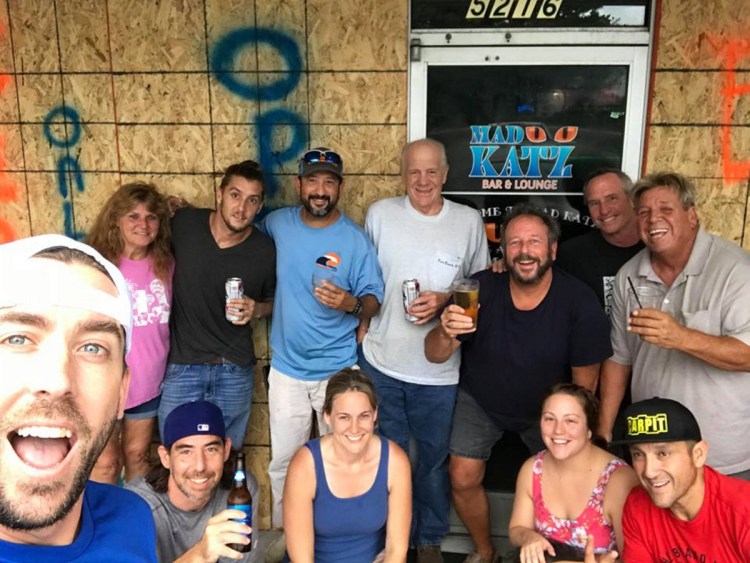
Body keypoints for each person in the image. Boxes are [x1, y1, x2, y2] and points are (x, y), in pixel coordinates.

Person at [425, 203, 612, 563]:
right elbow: (434, 354)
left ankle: (548, 552)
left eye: (534, 242)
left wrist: (574, 439)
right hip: (482, 398)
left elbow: (583, 390)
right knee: (462, 475)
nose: (524, 251)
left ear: (553, 250)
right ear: (503, 251)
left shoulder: (579, 304)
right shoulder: (479, 289)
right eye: (514, 243)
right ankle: (485, 550)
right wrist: (445, 333)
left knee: (566, 481)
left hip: (547, 408)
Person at [358, 138, 489, 563]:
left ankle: (429, 539)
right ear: (402, 174)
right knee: (386, 456)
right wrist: (362, 329)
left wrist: (446, 299)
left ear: (446, 174)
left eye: (432, 171)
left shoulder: (467, 221)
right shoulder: (381, 214)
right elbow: (366, 278)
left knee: (432, 461)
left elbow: (478, 287)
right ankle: (389, 540)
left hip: (440, 370)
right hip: (382, 361)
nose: (423, 180)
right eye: (414, 171)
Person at [0, 234, 156, 560]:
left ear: (122, 392)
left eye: (93, 348)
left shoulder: (132, 519)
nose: (57, 380)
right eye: (17, 338)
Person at [260, 147, 384, 532]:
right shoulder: (276, 224)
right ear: (298, 185)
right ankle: (286, 540)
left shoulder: (354, 239)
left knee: (345, 459)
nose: (320, 189)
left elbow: (374, 302)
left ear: (340, 189)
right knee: (284, 463)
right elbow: (238, 228)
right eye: (312, 180)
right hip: (287, 371)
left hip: (338, 371)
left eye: (328, 182)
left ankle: (341, 537)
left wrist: (350, 304)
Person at [598, 172, 750, 479]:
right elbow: (619, 359)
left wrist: (680, 337)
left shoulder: (735, 270)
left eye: (666, 209)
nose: (654, 219)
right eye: (644, 212)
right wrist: (603, 435)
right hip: (652, 452)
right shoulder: (629, 273)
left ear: (691, 215)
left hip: (721, 455)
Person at [159, 160, 276, 451]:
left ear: (260, 206)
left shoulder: (264, 249)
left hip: (234, 370)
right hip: (183, 366)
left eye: (252, 200)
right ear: (219, 194)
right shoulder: (184, 223)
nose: (241, 208)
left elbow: (274, 301)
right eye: (235, 195)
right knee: (178, 457)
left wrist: (257, 309)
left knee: (228, 458)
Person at [86, 182, 174, 484]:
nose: (143, 224)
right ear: (116, 221)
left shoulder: (167, 264)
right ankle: (105, 526)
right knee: (106, 463)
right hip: (103, 380)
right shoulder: (98, 266)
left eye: (152, 217)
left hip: (148, 380)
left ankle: (132, 526)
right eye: (133, 216)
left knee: (137, 456)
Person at [283, 368, 411, 563]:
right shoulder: (305, 465)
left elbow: (396, 552)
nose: (354, 428)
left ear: (375, 414)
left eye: (364, 416)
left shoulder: (395, 460)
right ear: (327, 415)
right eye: (344, 417)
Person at [508, 383, 638, 563]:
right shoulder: (532, 469)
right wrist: (528, 537)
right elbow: (517, 528)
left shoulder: (618, 480)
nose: (558, 430)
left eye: (570, 420)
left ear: (589, 429)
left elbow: (635, 558)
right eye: (549, 419)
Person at [610, 397, 750, 561]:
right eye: (638, 454)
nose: (649, 471)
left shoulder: (743, 510)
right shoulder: (637, 505)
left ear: (698, 454)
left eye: (663, 453)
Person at [127, 400, 259, 562]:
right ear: (165, 457)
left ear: (226, 451)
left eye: (211, 450)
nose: (200, 466)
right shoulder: (136, 506)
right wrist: (200, 554)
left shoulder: (240, 492)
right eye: (186, 452)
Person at [555, 169, 644, 315]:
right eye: (594, 203)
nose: (604, 210)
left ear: (632, 199)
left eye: (612, 198)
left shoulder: (655, 248)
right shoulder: (571, 255)